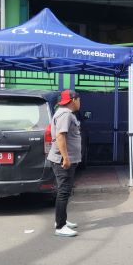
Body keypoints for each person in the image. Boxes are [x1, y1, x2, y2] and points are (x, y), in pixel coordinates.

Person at [47, 89, 82, 238]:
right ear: (73, 100)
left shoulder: (64, 113)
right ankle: (60, 226)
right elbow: (60, 136)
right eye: (79, 99)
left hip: (66, 159)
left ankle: (61, 220)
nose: (80, 102)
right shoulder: (65, 114)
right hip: (63, 160)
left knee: (65, 191)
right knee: (63, 191)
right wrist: (66, 158)